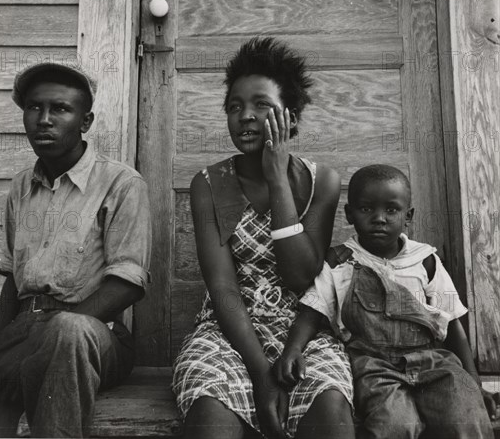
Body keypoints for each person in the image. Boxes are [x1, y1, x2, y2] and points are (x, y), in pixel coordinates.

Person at [172, 38, 355, 439]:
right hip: (228, 333)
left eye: (261, 105)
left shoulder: (321, 181)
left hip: (303, 333)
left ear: (290, 117)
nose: (246, 116)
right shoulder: (208, 184)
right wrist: (259, 373)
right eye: (235, 107)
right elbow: (222, 287)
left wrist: (277, 178)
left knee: (332, 417)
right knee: (210, 422)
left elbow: (302, 276)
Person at [0, 63, 152, 437]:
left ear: (85, 121)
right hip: (23, 329)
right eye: (34, 108)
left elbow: (128, 283)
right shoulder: (21, 187)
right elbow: (12, 277)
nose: (44, 119)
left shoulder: (121, 184)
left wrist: (38, 345)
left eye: (59, 109)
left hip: (93, 336)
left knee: (67, 332)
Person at [274, 164, 498, 438]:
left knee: (464, 418)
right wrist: (292, 350)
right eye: (367, 209)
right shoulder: (341, 261)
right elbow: (311, 312)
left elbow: (452, 322)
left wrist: (475, 384)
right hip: (372, 364)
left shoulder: (425, 260)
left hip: (433, 361)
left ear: (408, 215)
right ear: (349, 215)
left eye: (391, 210)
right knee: (394, 424)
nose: (379, 218)